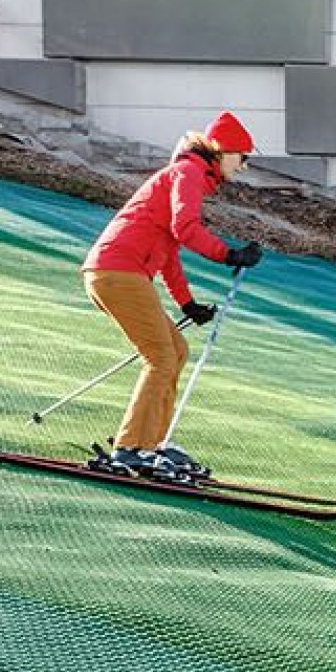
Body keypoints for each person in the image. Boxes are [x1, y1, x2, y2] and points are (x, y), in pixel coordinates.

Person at [81, 111, 263, 481]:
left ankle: (153, 444)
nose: (243, 167)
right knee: (161, 355)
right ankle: (131, 448)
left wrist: (186, 303)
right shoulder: (189, 173)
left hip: (120, 273)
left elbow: (170, 250)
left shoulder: (188, 173)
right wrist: (228, 254)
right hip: (118, 271)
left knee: (176, 351)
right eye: (242, 158)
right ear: (223, 150)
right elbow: (186, 227)